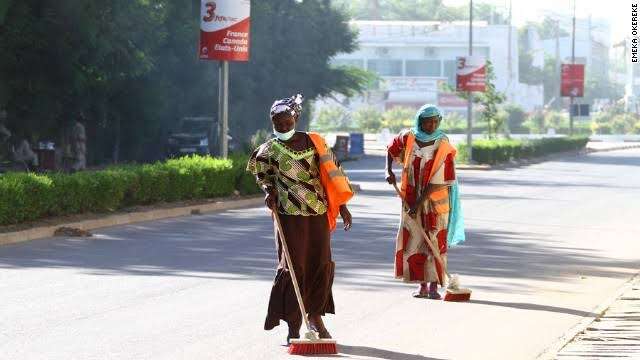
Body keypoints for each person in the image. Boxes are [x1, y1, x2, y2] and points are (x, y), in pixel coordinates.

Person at [247, 94, 354, 344]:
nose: (283, 128)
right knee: (293, 266)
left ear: (296, 117)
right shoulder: (269, 149)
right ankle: (294, 325)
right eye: (277, 124)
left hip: (317, 210)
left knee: (320, 262)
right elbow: (263, 176)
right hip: (287, 214)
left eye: (287, 122)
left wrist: (343, 207)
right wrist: (268, 193)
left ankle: (315, 316)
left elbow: (333, 175)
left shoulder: (315, 142)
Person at [385, 104, 465, 299]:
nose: (432, 125)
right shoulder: (408, 137)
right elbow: (390, 149)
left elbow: (439, 180)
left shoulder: (442, 142)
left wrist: (418, 204)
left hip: (435, 202)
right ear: (420, 121)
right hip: (410, 198)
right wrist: (388, 171)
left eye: (435, 121)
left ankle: (433, 287)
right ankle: (421, 286)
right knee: (415, 240)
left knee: (434, 241)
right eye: (428, 121)